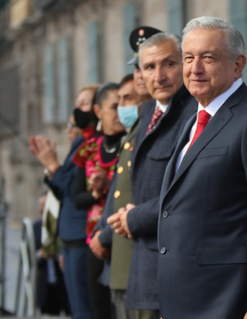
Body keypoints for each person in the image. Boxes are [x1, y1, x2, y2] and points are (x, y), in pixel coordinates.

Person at [156, 16, 247, 319]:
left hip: (229, 302)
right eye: (189, 58)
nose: (195, 69)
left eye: (208, 58)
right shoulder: (193, 120)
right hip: (183, 301)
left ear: (238, 64)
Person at [111, 32, 196, 318]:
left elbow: (188, 191)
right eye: (149, 67)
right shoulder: (148, 111)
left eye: (168, 64)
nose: (158, 76)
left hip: (176, 262)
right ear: (140, 74)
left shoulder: (196, 113)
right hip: (142, 263)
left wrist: (134, 217)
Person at [29, 85, 97, 319]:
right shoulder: (80, 143)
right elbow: (64, 190)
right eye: (77, 104)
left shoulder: (93, 142)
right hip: (69, 236)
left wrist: (52, 165)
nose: (78, 110)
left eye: (85, 103)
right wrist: (51, 169)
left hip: (81, 235)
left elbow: (74, 190)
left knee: (85, 308)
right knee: (76, 307)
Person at [92, 74, 149, 319]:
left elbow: (139, 195)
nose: (123, 107)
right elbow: (118, 192)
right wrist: (101, 229)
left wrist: (104, 235)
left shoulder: (142, 135)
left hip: (134, 255)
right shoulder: (131, 136)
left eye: (127, 99)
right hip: (120, 257)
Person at [73, 83, 125, 319]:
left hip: (123, 234)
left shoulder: (131, 144)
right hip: (94, 238)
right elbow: (77, 198)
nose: (121, 111)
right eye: (114, 106)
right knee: (99, 309)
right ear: (98, 111)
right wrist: (96, 192)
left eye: (124, 104)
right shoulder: (88, 149)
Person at [33, 192, 71, 316]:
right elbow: (28, 255)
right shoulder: (35, 227)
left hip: (62, 281)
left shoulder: (61, 225)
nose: (43, 208)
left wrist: (57, 253)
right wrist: (41, 255)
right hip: (45, 281)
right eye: (41, 205)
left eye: (45, 204)